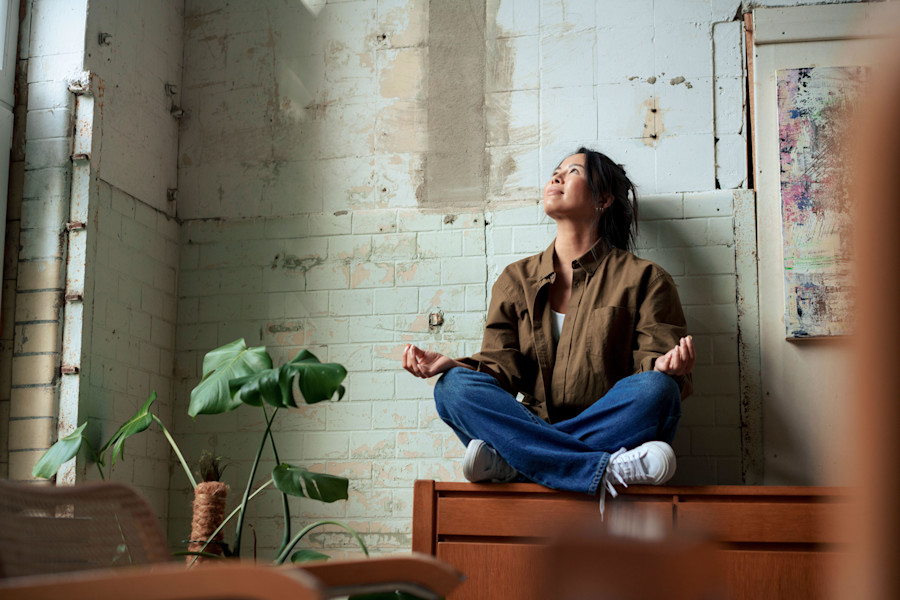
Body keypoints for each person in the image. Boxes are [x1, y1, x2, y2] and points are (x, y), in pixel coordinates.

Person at [401, 147, 694, 510]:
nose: (556, 177)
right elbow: (500, 370)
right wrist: (450, 365)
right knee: (452, 388)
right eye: (555, 171)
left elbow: (653, 368)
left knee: (658, 391)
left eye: (572, 172)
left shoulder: (645, 278)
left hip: (609, 423)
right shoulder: (515, 280)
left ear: (603, 198)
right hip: (548, 426)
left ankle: (514, 462)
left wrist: (668, 368)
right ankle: (600, 468)